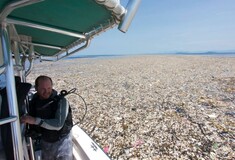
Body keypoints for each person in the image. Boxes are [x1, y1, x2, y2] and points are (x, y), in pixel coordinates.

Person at [21, 75, 73, 160]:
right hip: (46, 141)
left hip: (63, 141)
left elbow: (58, 125)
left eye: (49, 88)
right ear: (36, 88)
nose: (46, 92)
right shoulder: (34, 102)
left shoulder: (61, 101)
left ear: (52, 87)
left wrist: (34, 120)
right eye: (43, 89)